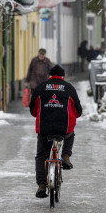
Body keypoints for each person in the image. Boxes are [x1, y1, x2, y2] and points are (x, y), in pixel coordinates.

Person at [29, 64, 82, 198]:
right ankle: (65, 155)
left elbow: (33, 111)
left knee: (41, 156)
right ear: (63, 76)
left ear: (49, 76)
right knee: (70, 134)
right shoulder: (69, 88)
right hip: (63, 129)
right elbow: (78, 112)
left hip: (44, 129)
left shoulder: (41, 87)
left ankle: (41, 185)